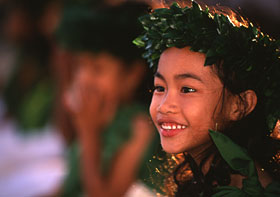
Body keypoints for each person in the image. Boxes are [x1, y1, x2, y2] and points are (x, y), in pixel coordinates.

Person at [134, 1, 280, 196]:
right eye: (160, 88)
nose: (164, 105)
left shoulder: (245, 190)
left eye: (187, 89)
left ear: (240, 105)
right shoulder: (207, 179)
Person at [54, 2, 163, 197]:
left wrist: (89, 133)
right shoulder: (98, 113)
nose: (84, 78)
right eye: (80, 66)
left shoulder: (139, 127)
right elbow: (70, 184)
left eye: (97, 69)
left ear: (132, 75)